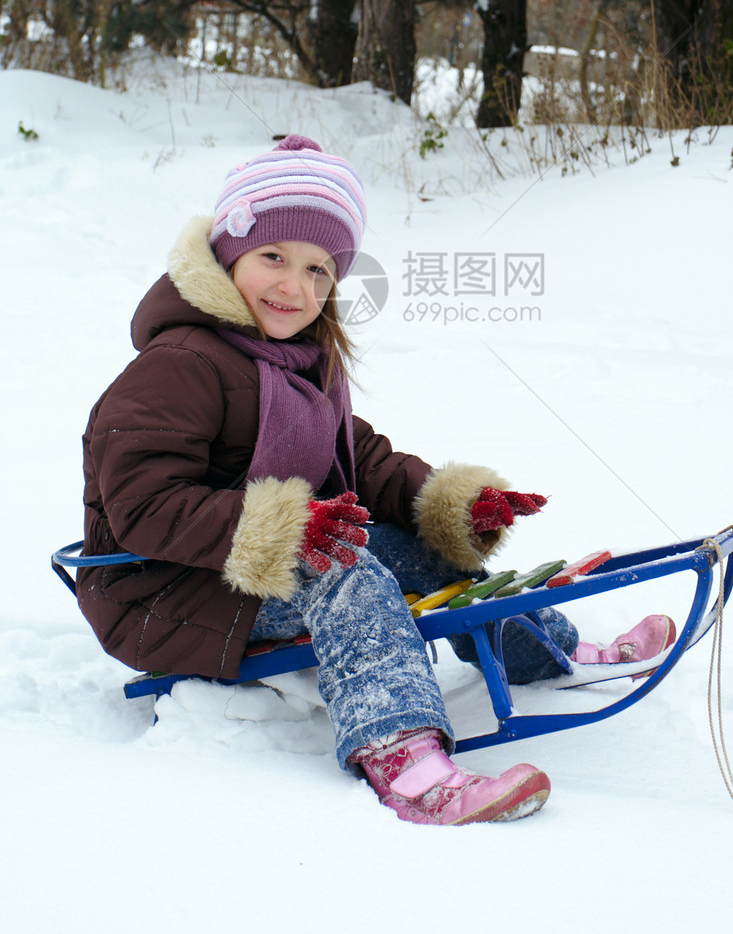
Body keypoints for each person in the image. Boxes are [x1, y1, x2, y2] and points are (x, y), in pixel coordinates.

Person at [79, 134, 675, 826]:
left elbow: (359, 459)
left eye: (318, 272)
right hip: (158, 586)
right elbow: (143, 507)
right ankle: (404, 755)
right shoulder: (180, 362)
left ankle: (551, 653)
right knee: (346, 571)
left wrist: (449, 506)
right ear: (226, 252)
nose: (293, 287)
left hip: (244, 568)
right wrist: (286, 529)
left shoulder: (298, 361)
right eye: (273, 257)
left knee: (417, 551)